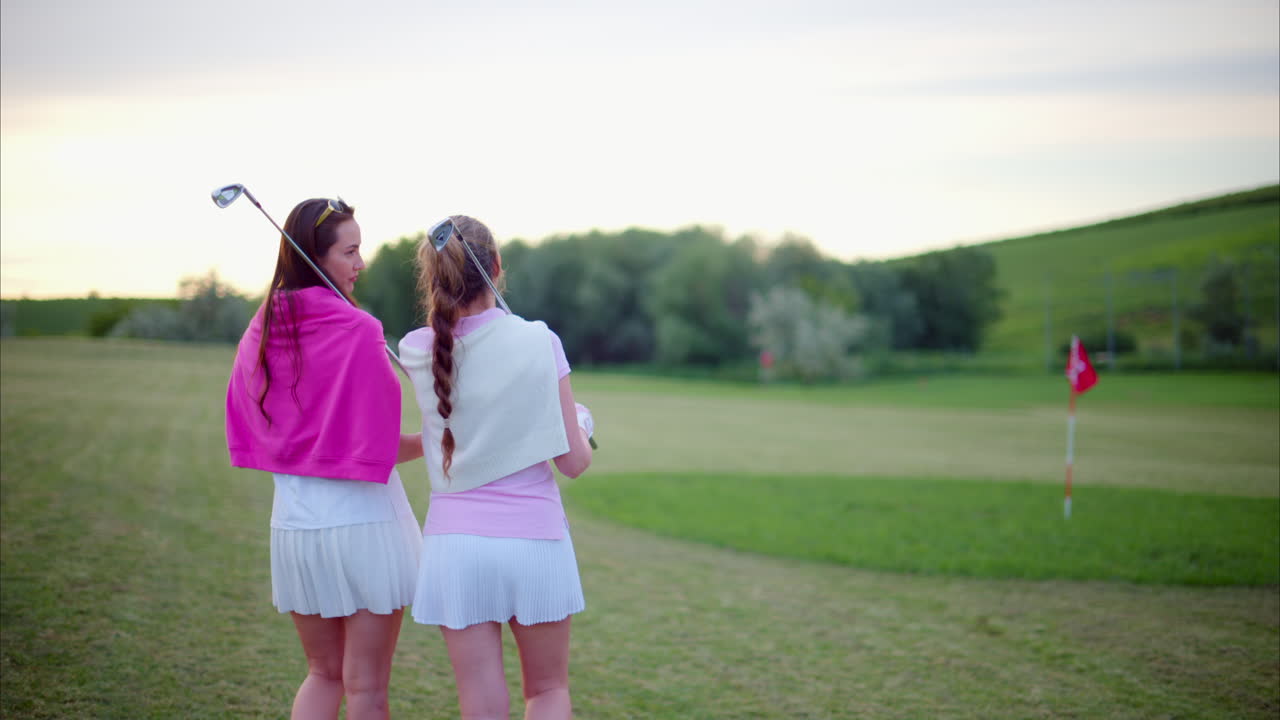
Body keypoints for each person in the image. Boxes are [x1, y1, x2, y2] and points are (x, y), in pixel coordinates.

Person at [224, 197, 424, 720]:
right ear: (315, 256)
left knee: (323, 674)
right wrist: (434, 440)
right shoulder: (360, 330)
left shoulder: (260, 327)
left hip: (295, 530)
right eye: (350, 252)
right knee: (365, 689)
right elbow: (380, 448)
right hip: (364, 529)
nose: (361, 264)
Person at [398, 215, 594, 720]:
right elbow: (574, 462)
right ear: (497, 267)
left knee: (480, 699)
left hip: (456, 548)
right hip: (536, 542)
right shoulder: (539, 340)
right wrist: (577, 422)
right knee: (548, 691)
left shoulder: (416, 349)